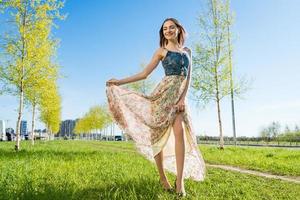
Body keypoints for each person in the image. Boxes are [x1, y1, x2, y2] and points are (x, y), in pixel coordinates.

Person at [106, 17, 206, 197]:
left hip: (179, 100)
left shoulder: (188, 52)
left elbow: (188, 79)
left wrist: (183, 99)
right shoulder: (161, 51)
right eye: (165, 28)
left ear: (178, 29)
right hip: (162, 96)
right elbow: (144, 74)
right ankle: (162, 177)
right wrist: (119, 82)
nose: (168, 30)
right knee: (157, 137)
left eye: (171, 27)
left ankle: (180, 181)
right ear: (163, 32)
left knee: (180, 134)